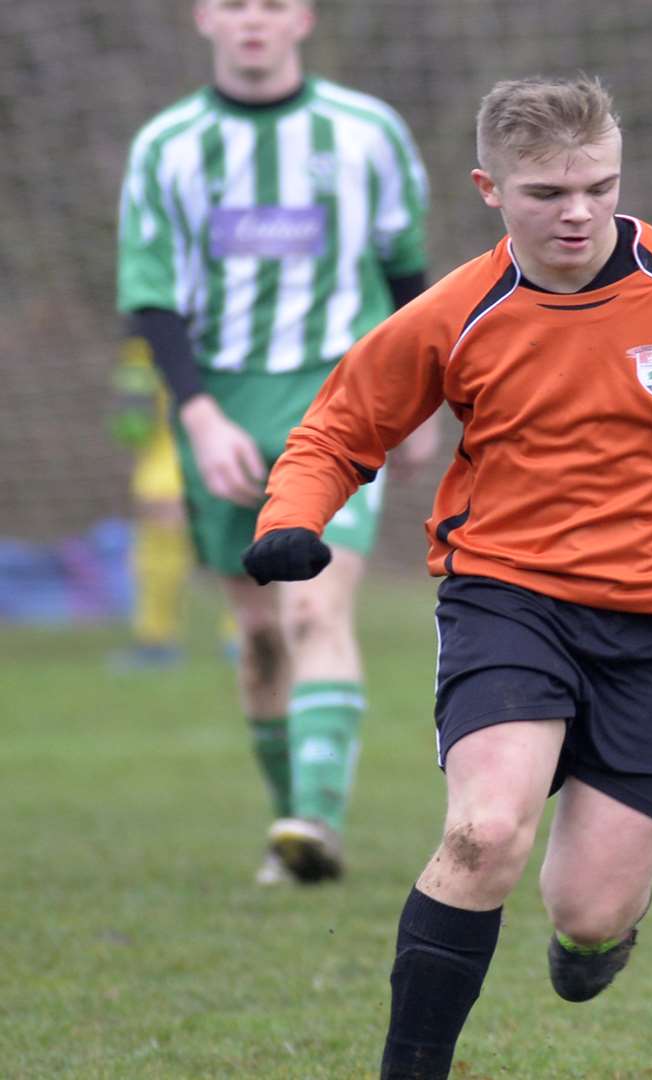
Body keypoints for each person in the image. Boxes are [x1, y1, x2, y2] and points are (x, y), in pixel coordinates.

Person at [242, 75, 652, 1079]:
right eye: (546, 195)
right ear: (489, 188)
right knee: (483, 834)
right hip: (511, 600)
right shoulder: (456, 312)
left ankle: (599, 938)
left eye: (599, 188)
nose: (578, 214)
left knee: (588, 907)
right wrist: (292, 520)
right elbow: (338, 430)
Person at [115, 0, 435, 885]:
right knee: (258, 635)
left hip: (343, 399)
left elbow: (410, 275)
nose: (252, 20)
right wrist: (198, 414)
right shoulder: (167, 147)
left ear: (303, 18)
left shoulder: (368, 133)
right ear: (201, 18)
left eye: (272, 3)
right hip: (224, 410)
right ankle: (291, 822)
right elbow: (151, 293)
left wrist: (422, 397)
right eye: (232, 4)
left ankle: (315, 823)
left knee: (314, 608)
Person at [106, 338, 192, 671]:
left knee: (156, 558)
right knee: (233, 550)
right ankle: (242, 637)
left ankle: (156, 641)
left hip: (164, 469)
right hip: (223, 458)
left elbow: (132, 425)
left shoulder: (142, 352)